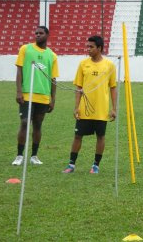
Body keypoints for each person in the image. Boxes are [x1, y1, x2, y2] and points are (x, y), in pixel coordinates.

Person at [62, 35, 117, 174]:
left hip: (101, 109)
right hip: (84, 109)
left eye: (91, 47)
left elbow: (113, 87)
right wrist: (76, 107)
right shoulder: (83, 64)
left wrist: (114, 108)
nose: (88, 49)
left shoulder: (109, 65)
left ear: (99, 48)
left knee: (101, 137)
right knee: (77, 136)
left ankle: (96, 166)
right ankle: (71, 165)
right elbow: (78, 87)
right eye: (87, 46)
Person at [12, 26, 59, 166]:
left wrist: (53, 99)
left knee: (38, 125)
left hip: (43, 97)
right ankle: (19, 155)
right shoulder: (25, 49)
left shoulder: (52, 55)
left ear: (47, 35)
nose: (37, 35)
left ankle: (34, 156)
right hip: (27, 95)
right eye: (36, 33)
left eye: (41, 33)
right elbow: (19, 71)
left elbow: (53, 79)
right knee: (25, 122)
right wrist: (19, 91)